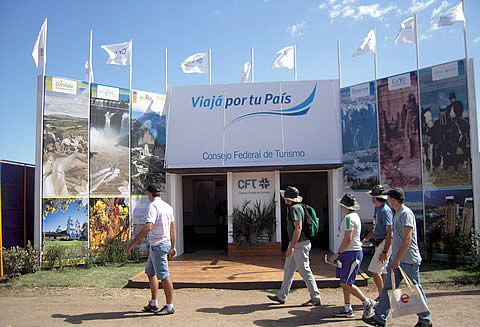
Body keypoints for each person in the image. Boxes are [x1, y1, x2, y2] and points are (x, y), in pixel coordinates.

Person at [363, 188, 432, 327]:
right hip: (399, 259)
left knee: (415, 289)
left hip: (408, 260)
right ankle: (380, 318)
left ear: (394, 199)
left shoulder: (405, 213)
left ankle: (425, 319)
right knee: (388, 289)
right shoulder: (398, 213)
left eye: (389, 198)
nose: (387, 201)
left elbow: (407, 238)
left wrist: (397, 259)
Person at [126, 184, 176, 315]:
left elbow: (148, 227)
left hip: (158, 245)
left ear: (149, 193)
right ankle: (153, 303)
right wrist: (173, 246)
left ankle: (170, 306)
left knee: (164, 276)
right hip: (162, 244)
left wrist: (133, 244)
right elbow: (173, 228)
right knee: (150, 272)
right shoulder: (168, 207)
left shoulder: (153, 206)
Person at [266, 186, 321, 307]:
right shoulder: (297, 207)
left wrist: (291, 246)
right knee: (288, 269)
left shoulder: (294, 209)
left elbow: (298, 228)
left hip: (299, 244)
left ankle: (315, 297)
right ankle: (281, 296)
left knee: (305, 271)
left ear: (287, 198)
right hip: (298, 243)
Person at [330, 193, 376, 319]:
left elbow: (348, 238)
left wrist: (338, 253)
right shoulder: (353, 216)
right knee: (344, 281)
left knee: (346, 283)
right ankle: (347, 307)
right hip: (348, 252)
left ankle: (366, 301)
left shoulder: (349, 218)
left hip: (351, 253)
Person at [362, 185, 393, 300]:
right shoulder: (378, 209)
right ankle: (385, 294)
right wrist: (367, 238)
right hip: (379, 242)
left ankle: (382, 297)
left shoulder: (385, 210)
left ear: (375, 198)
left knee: (374, 271)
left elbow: (390, 232)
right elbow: (376, 227)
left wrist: (385, 250)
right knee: (382, 271)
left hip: (384, 242)